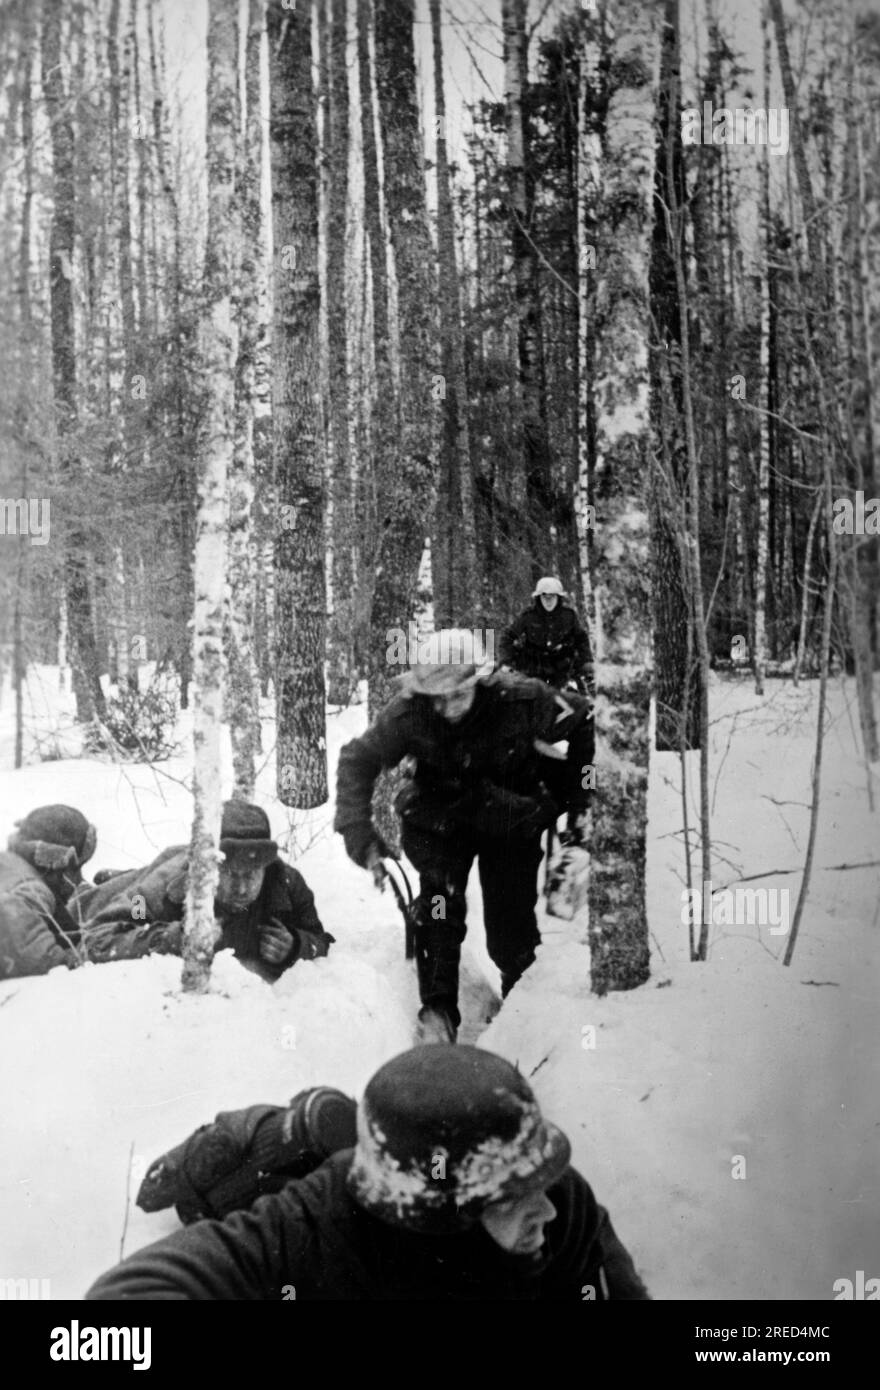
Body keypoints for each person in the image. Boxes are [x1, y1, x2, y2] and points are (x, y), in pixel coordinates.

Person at [85, 1045, 650, 1301]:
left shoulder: (561, 1205)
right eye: (507, 1199)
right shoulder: (328, 1220)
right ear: (437, 1215)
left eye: (540, 1181)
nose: (544, 1208)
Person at [335, 630, 593, 1042]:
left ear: (481, 681)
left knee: (510, 929)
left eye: (459, 695)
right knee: (438, 909)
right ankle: (437, 1011)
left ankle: (520, 1011)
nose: (448, 707)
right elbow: (357, 759)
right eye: (438, 699)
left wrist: (580, 817)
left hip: (510, 817)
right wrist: (359, 835)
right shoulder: (408, 713)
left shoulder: (523, 699)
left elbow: (586, 722)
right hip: (441, 821)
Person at [73, 801, 333, 982]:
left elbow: (320, 940)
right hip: (142, 882)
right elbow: (99, 937)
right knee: (91, 900)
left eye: (252, 875)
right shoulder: (165, 887)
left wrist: (296, 945)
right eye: (230, 874)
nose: (242, 888)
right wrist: (172, 937)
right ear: (207, 868)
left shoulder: (286, 883)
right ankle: (115, 878)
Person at [0, 805, 180, 980]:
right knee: (137, 902)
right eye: (76, 868)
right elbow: (40, 959)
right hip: (125, 915)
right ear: (59, 863)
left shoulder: (12, 867)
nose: (78, 879)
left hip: (126, 905)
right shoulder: (32, 889)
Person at [499, 577, 593, 691]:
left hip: (562, 669)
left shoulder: (569, 616)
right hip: (533, 669)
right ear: (539, 598)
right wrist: (506, 662)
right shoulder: (528, 616)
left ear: (559, 598)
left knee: (574, 697)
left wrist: (586, 661)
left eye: (552, 597)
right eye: (545, 597)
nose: (548, 601)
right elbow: (507, 636)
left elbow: (581, 638)